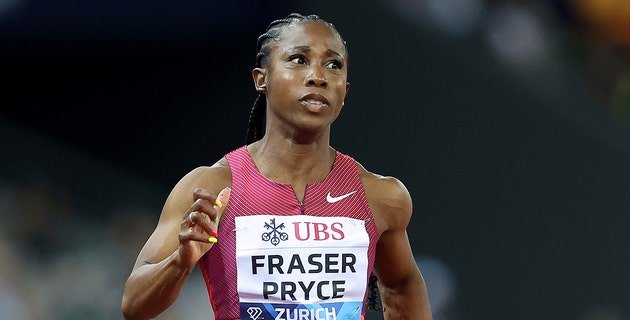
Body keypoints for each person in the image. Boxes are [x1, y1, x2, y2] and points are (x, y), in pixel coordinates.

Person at [121, 13, 432, 320]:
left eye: (333, 64)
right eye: (298, 59)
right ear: (262, 78)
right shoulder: (212, 187)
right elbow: (134, 306)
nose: (318, 76)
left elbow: (402, 284)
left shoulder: (381, 196)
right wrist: (180, 261)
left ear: (345, 91)